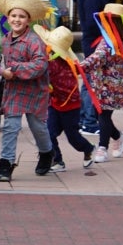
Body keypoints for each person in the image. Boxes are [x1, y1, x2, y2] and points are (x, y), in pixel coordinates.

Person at [0, 0, 56, 181]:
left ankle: (47, 153)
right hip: (13, 91)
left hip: (35, 91)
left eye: (21, 16)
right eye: (13, 16)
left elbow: (40, 65)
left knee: (38, 128)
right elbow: (2, 61)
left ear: (28, 19)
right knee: (10, 127)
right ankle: (6, 163)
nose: (17, 19)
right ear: (8, 18)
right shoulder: (5, 40)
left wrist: (14, 70)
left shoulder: (34, 41)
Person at [35, 25, 97, 172]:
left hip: (70, 107)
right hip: (55, 104)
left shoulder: (55, 64)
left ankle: (88, 148)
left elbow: (40, 75)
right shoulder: (51, 60)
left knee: (73, 137)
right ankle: (57, 160)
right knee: (49, 133)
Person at [82, 4, 123, 162]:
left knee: (103, 115)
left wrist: (80, 67)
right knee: (102, 115)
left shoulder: (109, 42)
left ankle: (102, 148)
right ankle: (117, 136)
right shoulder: (122, 41)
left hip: (107, 86)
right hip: (110, 86)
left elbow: (97, 57)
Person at [72, 0, 113, 132]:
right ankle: (89, 122)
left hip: (92, 41)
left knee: (89, 81)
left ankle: (83, 119)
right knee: (93, 82)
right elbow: (93, 21)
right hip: (95, 42)